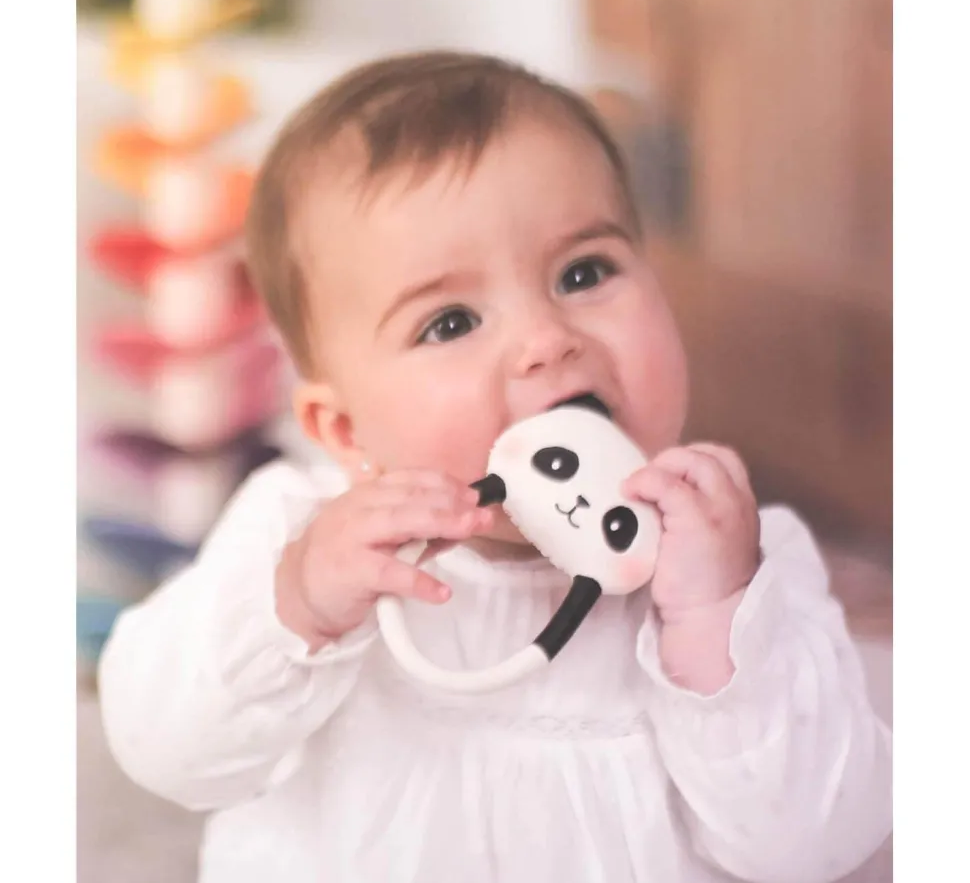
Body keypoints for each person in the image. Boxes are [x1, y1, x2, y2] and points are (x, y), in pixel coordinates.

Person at [98, 52, 892, 882]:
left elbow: (819, 845)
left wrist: (715, 620)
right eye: (450, 322)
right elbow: (163, 751)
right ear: (344, 429)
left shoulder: (735, 554)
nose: (547, 339)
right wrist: (299, 606)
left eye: (584, 273)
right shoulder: (300, 537)